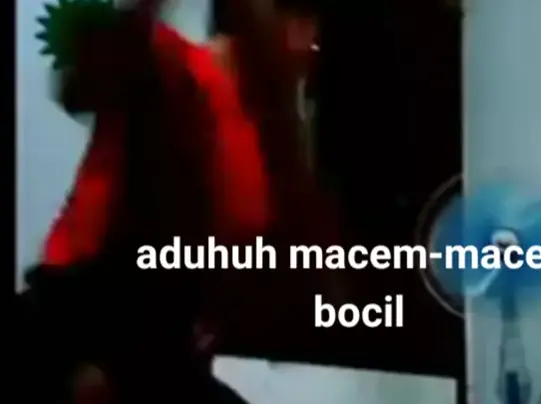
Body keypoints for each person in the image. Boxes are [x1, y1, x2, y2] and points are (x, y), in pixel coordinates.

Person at [20, 0, 341, 402]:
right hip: (80, 335)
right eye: (296, 19)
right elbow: (85, 81)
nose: (307, 45)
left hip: (162, 348)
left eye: (314, 29)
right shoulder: (175, 66)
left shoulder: (269, 128)